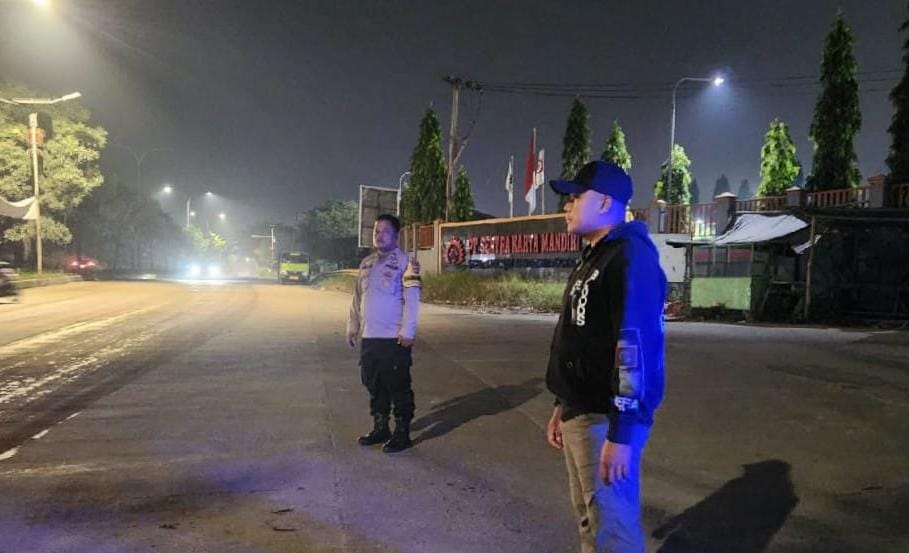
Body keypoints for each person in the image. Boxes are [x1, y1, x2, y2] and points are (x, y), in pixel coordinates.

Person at [545, 160, 667, 553]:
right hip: (581, 410)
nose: (567, 206)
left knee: (612, 528)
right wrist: (562, 403)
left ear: (604, 202)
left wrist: (622, 432)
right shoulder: (595, 257)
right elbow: (580, 334)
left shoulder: (630, 258)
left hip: (606, 416)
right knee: (590, 519)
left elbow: (634, 347)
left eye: (575, 197)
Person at [347, 213, 422, 453]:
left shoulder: (406, 263)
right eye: (376, 231)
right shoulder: (366, 264)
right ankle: (381, 427)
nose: (379, 236)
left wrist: (408, 330)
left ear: (396, 236)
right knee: (374, 383)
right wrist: (353, 326)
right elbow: (357, 298)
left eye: (386, 231)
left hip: (394, 338)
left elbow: (412, 300)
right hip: (370, 337)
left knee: (398, 385)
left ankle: (402, 432)